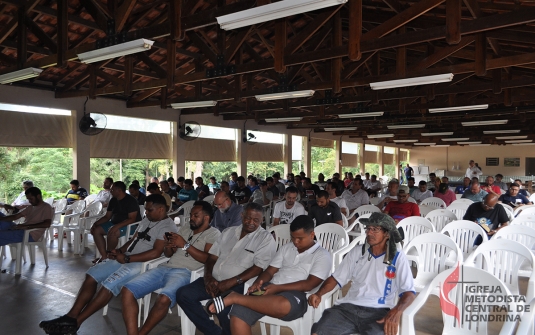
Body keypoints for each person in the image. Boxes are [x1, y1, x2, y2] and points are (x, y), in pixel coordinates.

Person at [39, 194, 176, 335]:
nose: (146, 212)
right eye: (146, 209)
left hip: (141, 264)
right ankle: (71, 316)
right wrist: (119, 251)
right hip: (127, 257)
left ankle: (75, 323)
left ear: (160, 209)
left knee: (108, 284)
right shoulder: (147, 219)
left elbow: (156, 253)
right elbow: (135, 240)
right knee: (92, 274)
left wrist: (128, 259)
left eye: (149, 210)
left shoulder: (168, 226)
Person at [208, 215, 332, 335]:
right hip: (271, 286)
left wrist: (278, 288)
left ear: (312, 234)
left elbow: (309, 284)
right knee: (238, 313)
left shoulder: (322, 255)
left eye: (300, 238)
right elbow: (269, 271)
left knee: (282, 305)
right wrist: (258, 283)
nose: (295, 241)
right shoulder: (286, 248)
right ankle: (236, 298)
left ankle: (235, 297)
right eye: (293, 237)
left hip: (296, 292)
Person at [175, 203, 277, 335]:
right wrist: (208, 278)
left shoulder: (265, 239)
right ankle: (214, 332)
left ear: (262, 220)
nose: (251, 222)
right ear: (242, 215)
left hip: (240, 285)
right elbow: (211, 258)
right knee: (183, 294)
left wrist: (230, 283)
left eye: (256, 220)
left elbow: (258, 268)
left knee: (223, 308)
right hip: (214, 280)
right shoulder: (228, 232)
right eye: (247, 218)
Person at [121, 201, 220, 335]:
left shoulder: (214, 234)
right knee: (127, 290)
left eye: (195, 215)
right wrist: (169, 246)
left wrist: (184, 245)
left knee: (163, 299)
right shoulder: (185, 228)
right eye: (191, 215)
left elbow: (208, 259)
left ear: (206, 218)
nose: (191, 218)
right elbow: (169, 254)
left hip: (185, 273)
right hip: (165, 267)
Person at [308, 212, 415, 335]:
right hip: (348, 308)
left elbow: (409, 292)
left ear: (386, 234)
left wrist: (397, 311)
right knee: (318, 332)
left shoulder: (397, 258)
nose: (369, 233)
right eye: (368, 228)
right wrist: (319, 293)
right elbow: (336, 278)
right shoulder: (357, 252)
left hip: (378, 311)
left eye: (375, 229)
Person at [90, 181, 142, 263]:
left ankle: (110, 255)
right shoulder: (113, 200)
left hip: (131, 225)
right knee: (96, 231)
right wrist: (95, 224)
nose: (111, 191)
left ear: (119, 190)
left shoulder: (131, 201)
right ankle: (104, 256)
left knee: (113, 232)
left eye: (112, 190)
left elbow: (131, 219)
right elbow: (107, 217)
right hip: (114, 223)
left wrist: (116, 226)